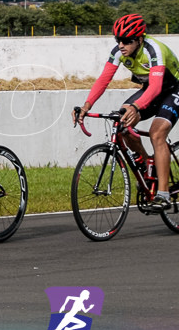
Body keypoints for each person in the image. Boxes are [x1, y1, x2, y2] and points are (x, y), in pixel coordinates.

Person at [74, 14, 178, 211]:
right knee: (121, 124)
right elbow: (104, 80)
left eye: (127, 41)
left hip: (173, 90)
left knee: (157, 134)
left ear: (139, 39)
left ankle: (163, 194)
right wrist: (87, 106)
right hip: (152, 91)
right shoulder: (119, 52)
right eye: (118, 40)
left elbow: (156, 88)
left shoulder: (153, 49)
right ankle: (147, 162)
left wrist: (136, 106)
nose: (121, 45)